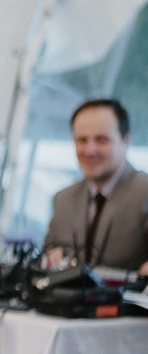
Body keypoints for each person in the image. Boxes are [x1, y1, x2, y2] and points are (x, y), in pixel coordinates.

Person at [43, 98, 148, 272]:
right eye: (81, 140)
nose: (89, 150)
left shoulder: (144, 193)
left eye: (101, 140)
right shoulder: (63, 199)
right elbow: (46, 255)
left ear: (126, 140)